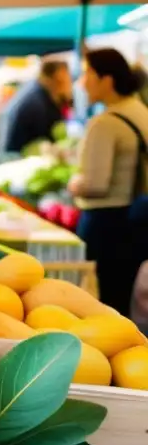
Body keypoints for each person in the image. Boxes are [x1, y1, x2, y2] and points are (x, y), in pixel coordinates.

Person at [67, 49, 148, 316]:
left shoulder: (105, 123)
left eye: (88, 73)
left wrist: (73, 183)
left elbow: (95, 184)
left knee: (102, 305)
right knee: (121, 299)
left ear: (107, 79)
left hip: (106, 224)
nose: (82, 82)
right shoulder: (140, 111)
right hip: (136, 220)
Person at [0, 60, 73, 154]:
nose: (70, 84)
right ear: (58, 77)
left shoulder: (36, 90)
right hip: (18, 157)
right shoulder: (38, 104)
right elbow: (47, 144)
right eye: (67, 79)